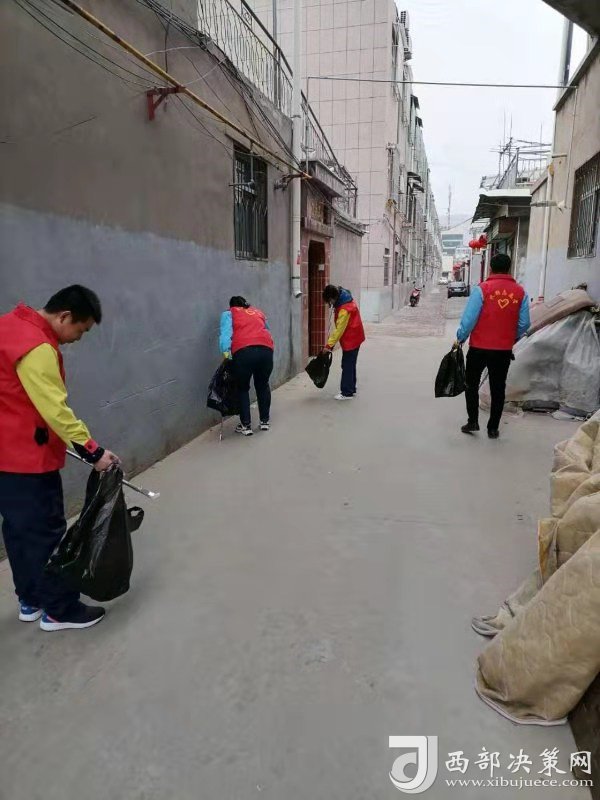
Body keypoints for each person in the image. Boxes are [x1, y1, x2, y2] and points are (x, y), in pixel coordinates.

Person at [0, 286, 120, 631]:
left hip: (5, 457)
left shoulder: (8, 326)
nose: (78, 339)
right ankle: (59, 610)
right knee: (47, 533)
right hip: (28, 459)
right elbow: (55, 409)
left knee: (19, 531)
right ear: (64, 316)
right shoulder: (36, 347)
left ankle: (31, 599)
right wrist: (93, 451)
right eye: (81, 330)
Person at [456, 253, 530, 439]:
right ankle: (493, 428)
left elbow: (469, 319)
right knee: (498, 388)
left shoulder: (482, 289)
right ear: (509, 268)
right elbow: (524, 323)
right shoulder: (520, 292)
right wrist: (510, 337)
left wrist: (461, 337)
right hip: (503, 350)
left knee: (471, 384)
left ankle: (473, 421)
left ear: (490, 268)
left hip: (478, 348)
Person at [219, 296, 274, 436]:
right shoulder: (257, 312)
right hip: (266, 350)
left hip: (244, 351)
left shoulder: (229, 314)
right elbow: (267, 331)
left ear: (231, 306)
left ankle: (246, 425)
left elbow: (225, 336)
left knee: (242, 388)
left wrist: (227, 356)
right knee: (262, 385)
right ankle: (264, 421)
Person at [322, 285, 366, 400]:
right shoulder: (344, 297)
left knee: (347, 365)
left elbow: (339, 330)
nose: (330, 304)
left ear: (332, 298)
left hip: (351, 338)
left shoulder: (344, 309)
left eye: (329, 301)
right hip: (356, 336)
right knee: (350, 364)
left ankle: (347, 393)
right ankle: (351, 387)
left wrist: (328, 345)